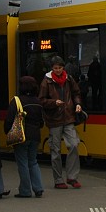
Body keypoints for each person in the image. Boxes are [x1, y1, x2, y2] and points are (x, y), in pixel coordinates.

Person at [38, 55, 84, 190]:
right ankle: (58, 179)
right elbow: (41, 100)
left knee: (74, 144)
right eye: (55, 68)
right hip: (54, 120)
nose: (58, 70)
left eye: (59, 68)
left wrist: (78, 104)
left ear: (63, 68)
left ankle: (72, 177)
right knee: (56, 150)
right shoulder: (46, 82)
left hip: (68, 117)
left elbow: (76, 93)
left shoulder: (69, 79)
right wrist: (54, 103)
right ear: (52, 69)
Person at [6, 76, 45, 199]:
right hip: (35, 136)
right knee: (33, 161)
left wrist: (7, 132)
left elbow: (9, 119)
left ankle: (25, 190)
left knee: (22, 162)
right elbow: (41, 122)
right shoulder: (38, 102)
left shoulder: (16, 100)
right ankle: (38, 188)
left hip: (21, 136)